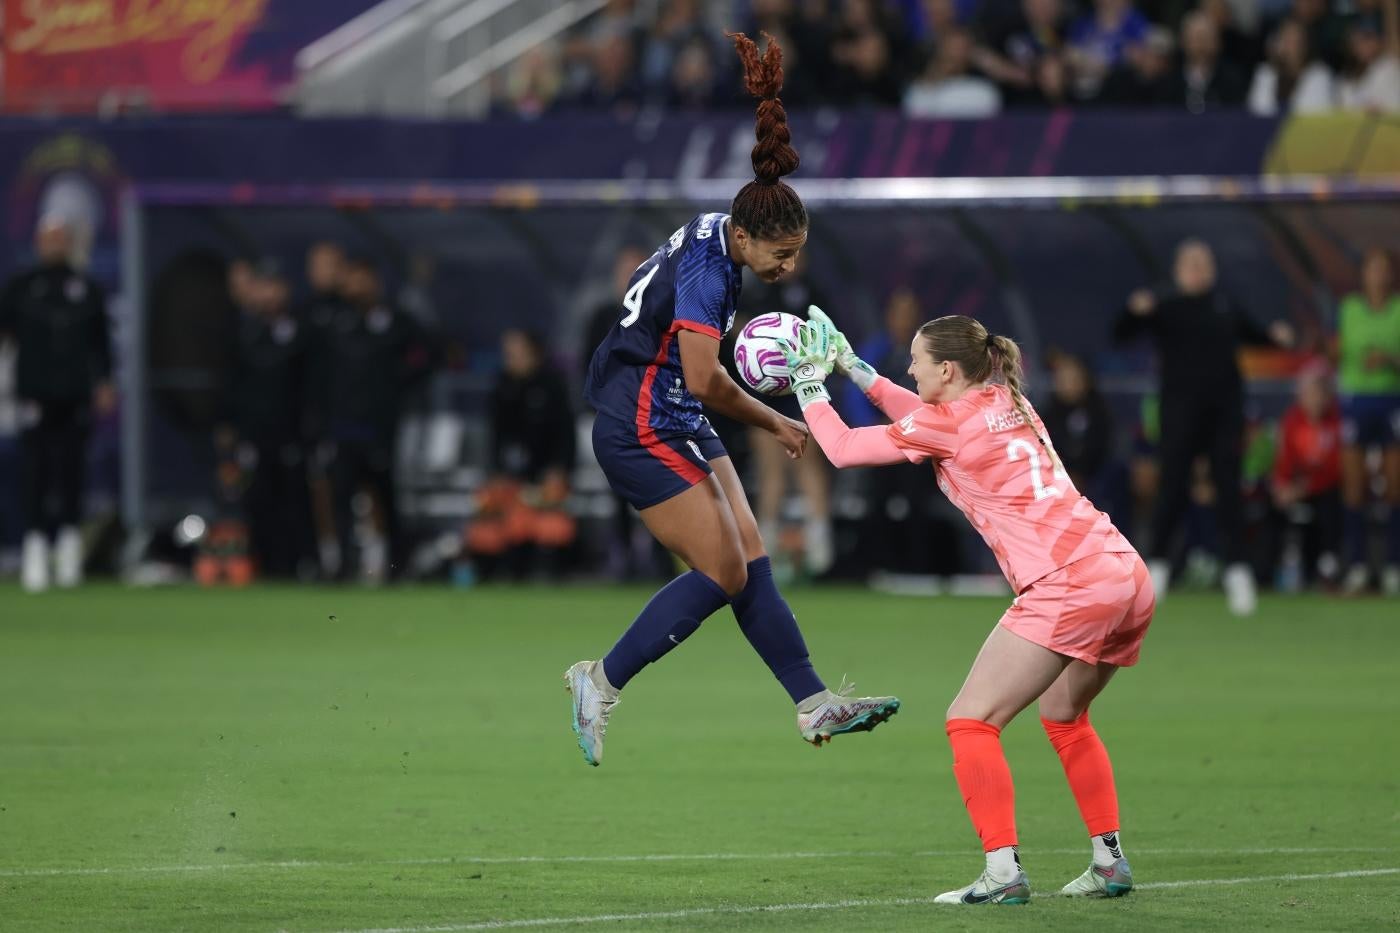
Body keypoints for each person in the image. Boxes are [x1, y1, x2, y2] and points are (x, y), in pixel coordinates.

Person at [565, 32, 899, 768]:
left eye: (798, 252)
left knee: (751, 553)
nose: (790, 265)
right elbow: (710, 377)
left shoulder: (720, 232)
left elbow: (698, 363)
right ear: (746, 238)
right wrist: (779, 417)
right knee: (722, 571)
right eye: (781, 254)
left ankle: (813, 701)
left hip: (669, 409)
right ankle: (600, 678)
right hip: (640, 422)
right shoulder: (713, 271)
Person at [783, 309, 1150, 904]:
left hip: (1068, 582)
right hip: (1123, 571)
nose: (909, 368)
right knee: (1064, 716)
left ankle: (1003, 874)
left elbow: (844, 448)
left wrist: (808, 383)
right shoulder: (1007, 398)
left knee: (971, 721)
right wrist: (856, 370)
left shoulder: (952, 423)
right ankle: (1109, 863)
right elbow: (927, 419)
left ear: (946, 369)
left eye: (917, 360)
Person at [1113, 239, 1294, 616]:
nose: (1196, 268)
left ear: (1211, 270)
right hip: (1179, 414)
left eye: (1202, 262)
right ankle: (1157, 574)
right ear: (1178, 271)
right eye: (1189, 263)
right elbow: (1121, 333)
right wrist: (1134, 310)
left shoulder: (1224, 306)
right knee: (1172, 489)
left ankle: (1238, 574)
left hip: (1224, 413)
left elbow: (1259, 336)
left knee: (1229, 490)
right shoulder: (1165, 307)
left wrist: (1276, 337)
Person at [0, 215, 114, 593]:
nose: (54, 246)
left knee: (71, 470)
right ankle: (34, 547)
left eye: (60, 239)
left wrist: (105, 383)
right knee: (35, 471)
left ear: (70, 243)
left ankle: (68, 549)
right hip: (34, 395)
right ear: (37, 243)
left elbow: (102, 345)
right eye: (47, 239)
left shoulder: (87, 289)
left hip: (75, 395)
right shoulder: (22, 288)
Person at [310, 257, 434, 582]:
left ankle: (393, 565)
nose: (356, 287)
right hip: (342, 424)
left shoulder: (394, 320)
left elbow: (429, 353)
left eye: (361, 279)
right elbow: (316, 373)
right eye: (351, 280)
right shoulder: (333, 321)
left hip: (380, 424)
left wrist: (398, 382)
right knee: (340, 497)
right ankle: (339, 565)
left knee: (383, 495)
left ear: (375, 282)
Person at [468, 329, 578, 579]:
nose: (511, 359)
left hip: (545, 477)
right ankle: (495, 569)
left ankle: (543, 568)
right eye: (508, 354)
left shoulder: (552, 387)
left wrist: (559, 471)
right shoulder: (501, 387)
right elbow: (494, 439)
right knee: (487, 505)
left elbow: (565, 437)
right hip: (510, 477)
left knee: (547, 515)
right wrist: (496, 473)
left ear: (535, 354)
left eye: (517, 353)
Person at [1335, 248, 1400, 595]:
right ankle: (1358, 566)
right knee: (1354, 488)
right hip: (1357, 400)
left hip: (1391, 399)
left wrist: (1389, 358)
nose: (1377, 276)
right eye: (1372, 269)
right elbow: (1338, 351)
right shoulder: (1349, 310)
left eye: (1383, 269)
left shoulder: (1398, 311)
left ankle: (1392, 567)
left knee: (1394, 487)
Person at [1271, 359, 1342, 589]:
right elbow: (1283, 461)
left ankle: (1327, 566)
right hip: (1296, 487)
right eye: (1307, 392)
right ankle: (1272, 568)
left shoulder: (1336, 422)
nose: (1311, 397)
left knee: (1331, 505)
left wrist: (1302, 488)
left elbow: (1335, 468)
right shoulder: (1291, 421)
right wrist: (1281, 486)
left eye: (1317, 392)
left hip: (1322, 489)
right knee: (1273, 508)